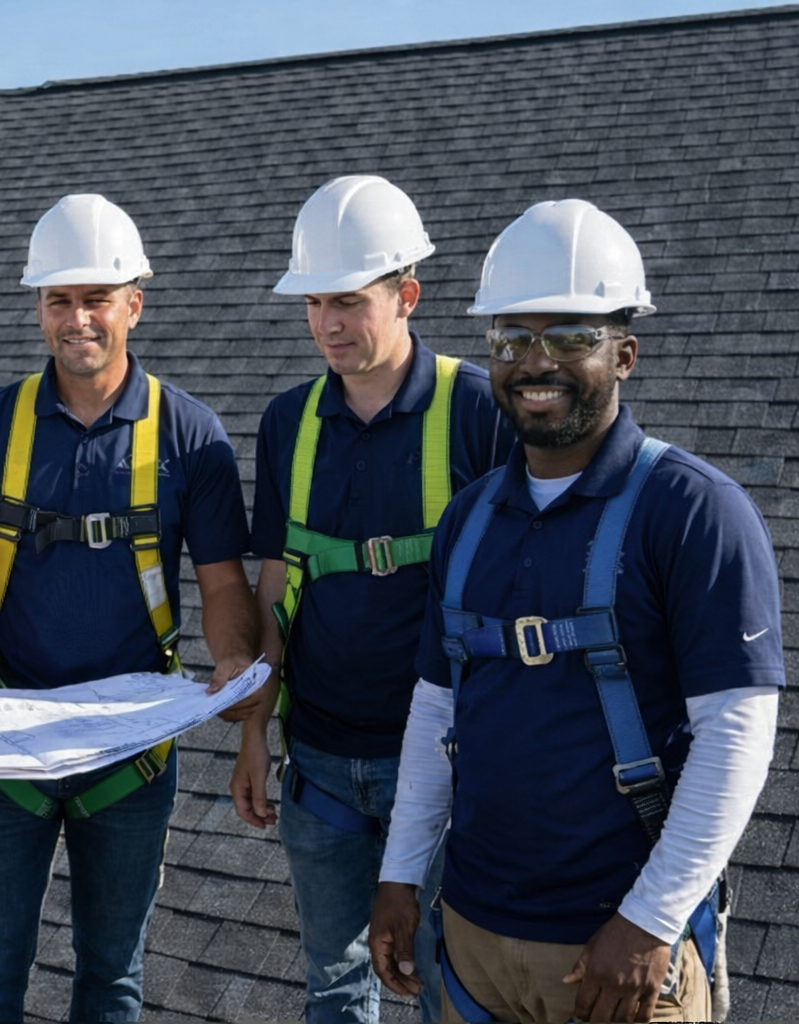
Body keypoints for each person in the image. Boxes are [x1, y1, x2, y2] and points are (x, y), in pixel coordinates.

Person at [369, 199, 783, 1023]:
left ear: (624, 353)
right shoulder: (471, 516)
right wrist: (400, 875)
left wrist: (651, 919)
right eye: (513, 338)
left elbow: (738, 733)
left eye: (570, 338)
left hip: (617, 950)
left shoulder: (694, 511)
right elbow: (436, 706)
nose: (536, 362)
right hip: (477, 939)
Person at [0, 192, 258, 1022]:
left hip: (130, 752)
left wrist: (233, 662)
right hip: (6, 746)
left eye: (95, 299)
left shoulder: (189, 435)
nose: (78, 319)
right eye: (60, 300)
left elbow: (221, 586)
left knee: (113, 979)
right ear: (39, 307)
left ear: (132, 305)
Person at [229, 174, 512, 1024]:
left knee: (442, 986)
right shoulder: (290, 421)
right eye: (315, 303)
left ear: (407, 295)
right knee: (335, 986)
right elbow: (279, 582)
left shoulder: (475, 409)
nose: (328, 325)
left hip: (439, 769)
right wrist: (252, 732)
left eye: (348, 302)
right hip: (317, 761)